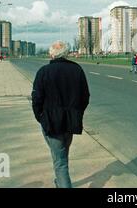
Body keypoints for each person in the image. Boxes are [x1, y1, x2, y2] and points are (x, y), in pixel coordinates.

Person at [32, 40, 90, 188]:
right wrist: (77, 113)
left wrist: (41, 118)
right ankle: (60, 181)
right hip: (70, 121)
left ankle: (62, 182)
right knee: (62, 156)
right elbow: (85, 97)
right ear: (66, 53)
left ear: (52, 54)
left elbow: (37, 99)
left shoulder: (44, 71)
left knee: (60, 161)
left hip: (52, 122)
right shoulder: (77, 70)